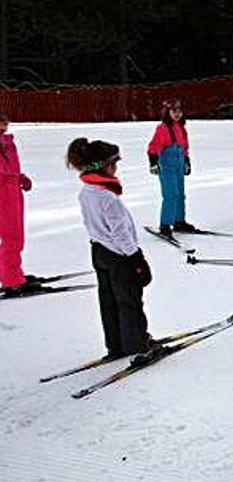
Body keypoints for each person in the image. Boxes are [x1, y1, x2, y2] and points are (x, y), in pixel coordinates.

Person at [67, 138, 160, 364]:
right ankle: (137, 345)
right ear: (102, 167)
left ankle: (116, 343)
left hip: (99, 252)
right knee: (129, 300)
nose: (116, 168)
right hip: (119, 256)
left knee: (109, 300)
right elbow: (120, 233)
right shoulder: (108, 198)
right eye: (113, 163)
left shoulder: (87, 192)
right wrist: (137, 259)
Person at [148, 98, 196, 237]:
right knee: (171, 195)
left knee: (180, 194)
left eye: (179, 111)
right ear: (167, 112)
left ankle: (179, 221)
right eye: (173, 111)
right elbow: (153, 147)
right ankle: (165, 224)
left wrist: (186, 161)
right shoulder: (162, 128)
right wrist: (153, 162)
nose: (177, 114)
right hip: (167, 165)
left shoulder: (181, 128)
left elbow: (184, 147)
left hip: (179, 163)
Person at [0, 113, 34, 296]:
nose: (6, 124)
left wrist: (20, 177)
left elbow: (10, 168)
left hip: (12, 191)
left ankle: (13, 273)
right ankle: (11, 279)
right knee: (11, 237)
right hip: (4, 194)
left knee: (16, 236)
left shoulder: (6, 141)